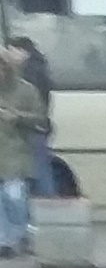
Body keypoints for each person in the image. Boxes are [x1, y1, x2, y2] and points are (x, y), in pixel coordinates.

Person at [0, 44, 45, 259]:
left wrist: (17, 117)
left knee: (14, 196)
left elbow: (41, 119)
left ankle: (22, 234)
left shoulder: (26, 90)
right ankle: (5, 241)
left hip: (15, 151)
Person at [6, 35, 51, 198]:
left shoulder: (30, 74)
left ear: (23, 52)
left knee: (38, 169)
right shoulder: (37, 68)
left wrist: (16, 115)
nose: (9, 56)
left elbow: (34, 107)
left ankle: (47, 203)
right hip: (35, 127)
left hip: (32, 128)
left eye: (11, 51)